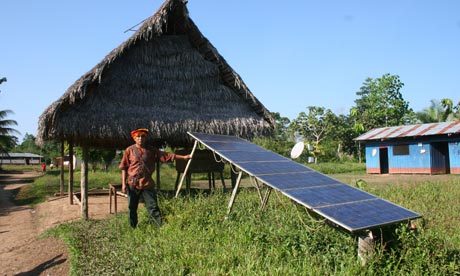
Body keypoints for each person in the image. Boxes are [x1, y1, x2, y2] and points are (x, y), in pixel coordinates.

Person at [119, 128, 191, 228]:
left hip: (147, 184)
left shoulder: (151, 150)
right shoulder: (129, 150)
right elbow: (124, 167)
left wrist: (184, 157)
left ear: (146, 138)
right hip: (133, 184)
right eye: (138, 137)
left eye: (143, 136)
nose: (140, 138)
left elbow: (166, 156)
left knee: (153, 207)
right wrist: (123, 184)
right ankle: (133, 227)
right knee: (132, 208)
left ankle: (158, 228)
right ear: (134, 138)